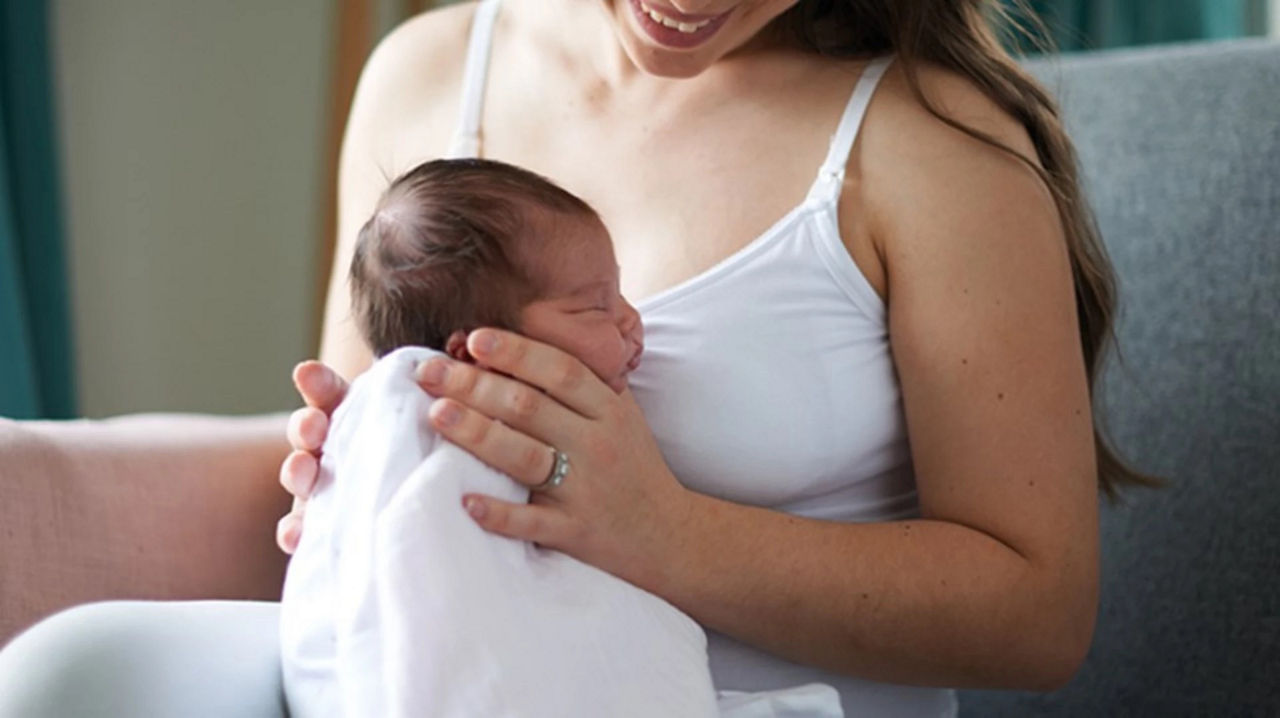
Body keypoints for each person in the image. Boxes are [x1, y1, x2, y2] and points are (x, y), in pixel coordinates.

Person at [0, 0, 1151, 716]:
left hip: (730, 696)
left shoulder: (934, 148)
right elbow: (375, 450)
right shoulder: (427, 76)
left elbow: (1037, 617)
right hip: (435, 668)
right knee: (75, 675)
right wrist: (339, 467)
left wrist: (662, 533)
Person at [282, 156, 842, 716]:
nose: (631, 320)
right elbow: (410, 582)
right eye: (596, 306)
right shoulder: (422, 417)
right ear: (478, 351)